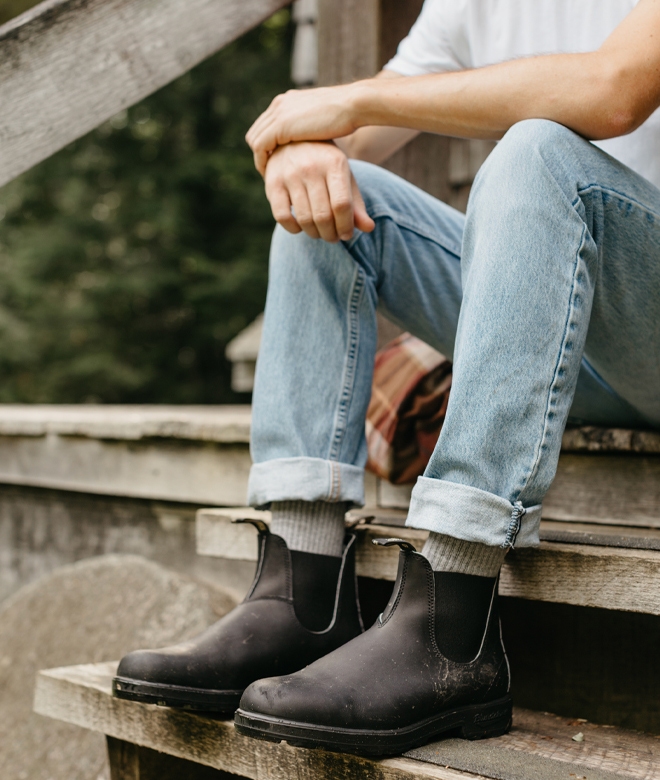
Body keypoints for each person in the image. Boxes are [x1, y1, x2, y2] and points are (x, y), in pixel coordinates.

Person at [114, 0, 660, 756]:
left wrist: (352, 99)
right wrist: (300, 149)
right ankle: (301, 593)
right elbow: (336, 133)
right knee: (337, 197)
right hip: (571, 334)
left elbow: (614, 89)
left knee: (538, 149)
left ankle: (452, 619)